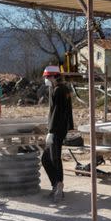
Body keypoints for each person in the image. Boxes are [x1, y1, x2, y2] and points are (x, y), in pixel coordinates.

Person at [40, 65, 75, 203]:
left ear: (54, 76)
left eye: (47, 77)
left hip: (57, 130)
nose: (46, 79)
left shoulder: (59, 90)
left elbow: (57, 113)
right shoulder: (60, 88)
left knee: (54, 158)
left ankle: (58, 187)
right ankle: (56, 184)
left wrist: (51, 131)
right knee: (47, 158)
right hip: (59, 129)